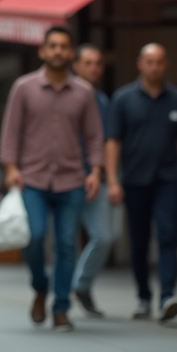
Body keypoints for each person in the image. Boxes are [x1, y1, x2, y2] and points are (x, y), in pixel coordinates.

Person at [0, 27, 103, 332]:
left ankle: (61, 308)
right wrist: (10, 168)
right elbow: (11, 131)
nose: (58, 51)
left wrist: (95, 171)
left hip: (72, 180)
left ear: (71, 53)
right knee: (33, 236)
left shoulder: (84, 92)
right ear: (43, 51)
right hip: (31, 178)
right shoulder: (24, 87)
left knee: (66, 244)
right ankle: (40, 286)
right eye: (52, 46)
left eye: (63, 47)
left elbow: (94, 136)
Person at [106, 43, 177, 323]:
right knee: (139, 241)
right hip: (134, 179)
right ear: (140, 64)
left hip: (168, 179)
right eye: (149, 61)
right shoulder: (123, 99)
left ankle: (168, 295)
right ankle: (144, 296)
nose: (154, 66)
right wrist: (112, 180)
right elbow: (113, 141)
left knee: (168, 234)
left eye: (159, 61)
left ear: (166, 64)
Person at [70, 43, 115, 317]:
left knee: (105, 237)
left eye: (98, 63)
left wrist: (105, 175)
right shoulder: (63, 96)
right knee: (64, 240)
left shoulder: (103, 101)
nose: (94, 68)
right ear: (76, 65)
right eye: (88, 62)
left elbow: (108, 142)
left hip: (95, 177)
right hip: (64, 179)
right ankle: (60, 298)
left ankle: (81, 284)